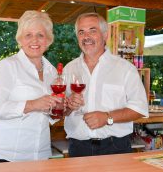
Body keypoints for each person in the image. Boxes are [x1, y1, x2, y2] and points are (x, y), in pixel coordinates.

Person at [64, 12, 149, 157]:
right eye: (81, 32)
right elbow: (62, 112)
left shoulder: (125, 68)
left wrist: (108, 117)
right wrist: (68, 107)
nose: (86, 37)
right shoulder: (69, 69)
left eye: (92, 30)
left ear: (105, 35)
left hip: (116, 147)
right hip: (78, 148)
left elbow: (140, 108)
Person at [0, 10, 61, 162]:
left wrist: (60, 109)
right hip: (7, 156)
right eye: (28, 35)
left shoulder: (52, 71)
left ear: (48, 40)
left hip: (41, 154)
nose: (35, 40)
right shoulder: (7, 66)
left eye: (40, 35)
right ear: (20, 40)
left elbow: (50, 115)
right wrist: (33, 104)